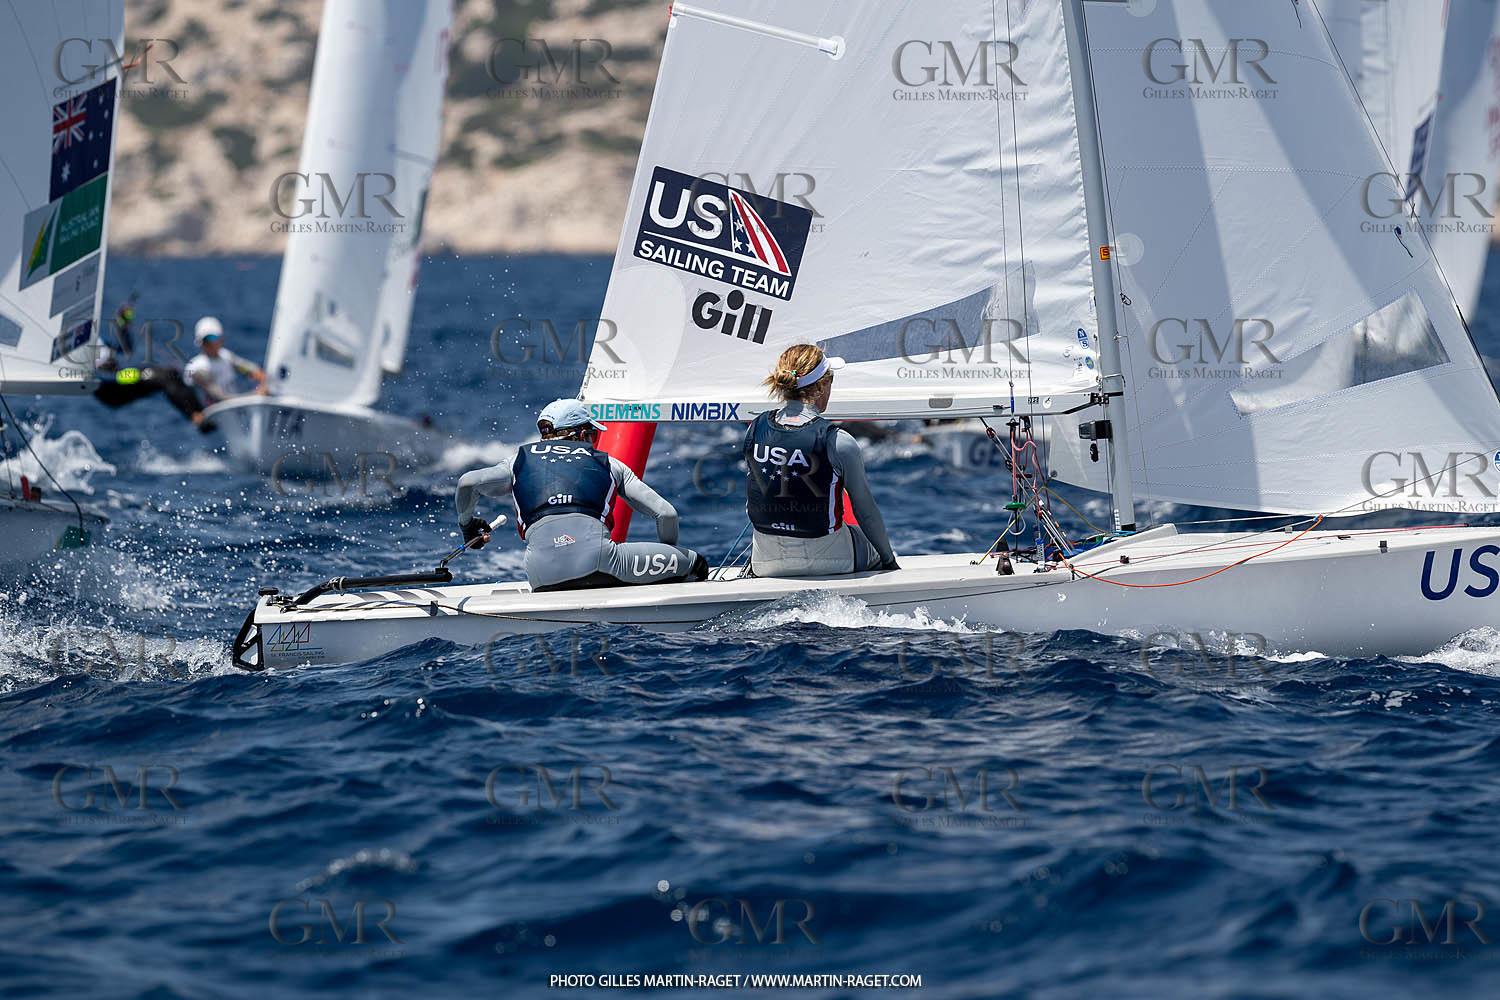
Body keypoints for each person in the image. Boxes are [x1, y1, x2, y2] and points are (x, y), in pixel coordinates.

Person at [456, 398, 708, 592]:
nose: (594, 442)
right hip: (601, 563)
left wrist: (467, 527)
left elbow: (467, 482)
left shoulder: (516, 462)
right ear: (582, 435)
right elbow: (666, 514)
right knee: (696, 564)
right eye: (593, 435)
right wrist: (669, 571)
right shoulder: (610, 464)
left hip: (540, 575)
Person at [744, 344, 899, 577]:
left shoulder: (755, 429)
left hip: (765, 563)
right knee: (871, 542)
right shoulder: (838, 441)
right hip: (832, 561)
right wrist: (889, 562)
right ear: (820, 386)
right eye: (831, 379)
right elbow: (865, 512)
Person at [93, 295, 215, 431]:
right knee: (162, 377)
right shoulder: (80, 343)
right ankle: (197, 418)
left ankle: (202, 413)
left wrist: (123, 325)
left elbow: (124, 348)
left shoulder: (98, 338)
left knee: (170, 373)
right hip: (110, 387)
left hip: (120, 377)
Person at [184, 317, 268, 404]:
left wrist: (262, 382)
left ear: (221, 339)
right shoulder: (198, 368)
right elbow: (220, 398)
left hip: (235, 406)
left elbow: (253, 370)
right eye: (205, 340)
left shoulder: (226, 356)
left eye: (212, 338)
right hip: (215, 409)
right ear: (200, 343)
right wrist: (255, 395)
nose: (209, 343)